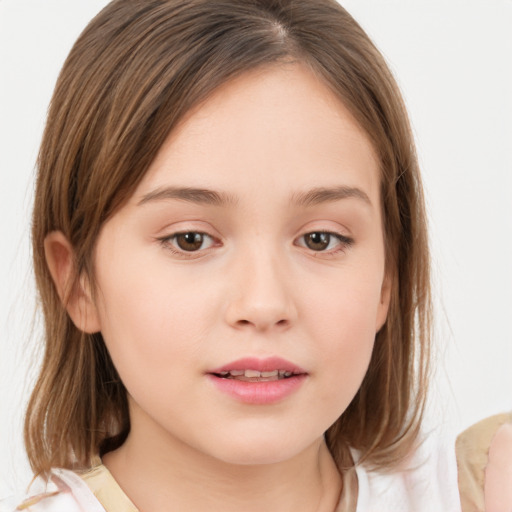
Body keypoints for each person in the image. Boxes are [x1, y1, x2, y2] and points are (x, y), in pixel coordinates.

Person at [3, 0, 510, 510]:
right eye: (190, 240)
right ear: (78, 282)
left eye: (320, 239)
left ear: (387, 278)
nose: (264, 304)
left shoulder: (483, 491)